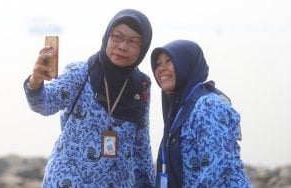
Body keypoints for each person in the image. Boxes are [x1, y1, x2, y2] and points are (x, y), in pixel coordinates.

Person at [23, 9, 155, 187]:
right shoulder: (81, 73)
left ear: (143, 48)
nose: (123, 46)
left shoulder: (141, 86)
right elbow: (44, 104)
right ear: (107, 37)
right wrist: (36, 81)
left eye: (133, 41)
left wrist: (147, 183)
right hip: (68, 181)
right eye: (117, 37)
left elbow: (141, 144)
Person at [150, 40, 252, 187]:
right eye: (158, 64)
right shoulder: (179, 109)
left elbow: (218, 169)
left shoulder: (208, 105)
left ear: (186, 65)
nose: (161, 68)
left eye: (168, 61)